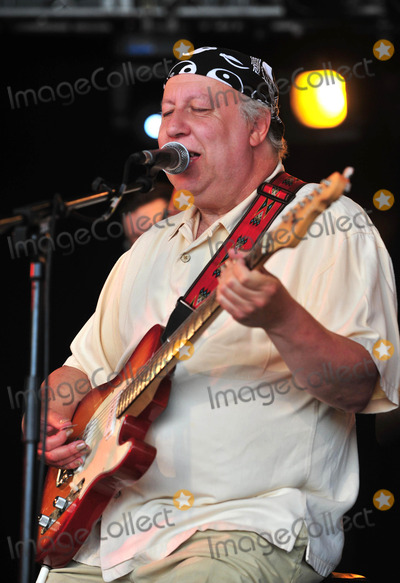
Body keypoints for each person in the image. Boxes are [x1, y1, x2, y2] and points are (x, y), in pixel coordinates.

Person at [37, 47, 399, 583]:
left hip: (242, 530)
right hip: (106, 542)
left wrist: (280, 317)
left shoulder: (327, 220)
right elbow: (77, 371)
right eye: (167, 110)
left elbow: (359, 384)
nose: (172, 126)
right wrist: (53, 418)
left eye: (199, 110)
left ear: (257, 128)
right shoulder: (148, 247)